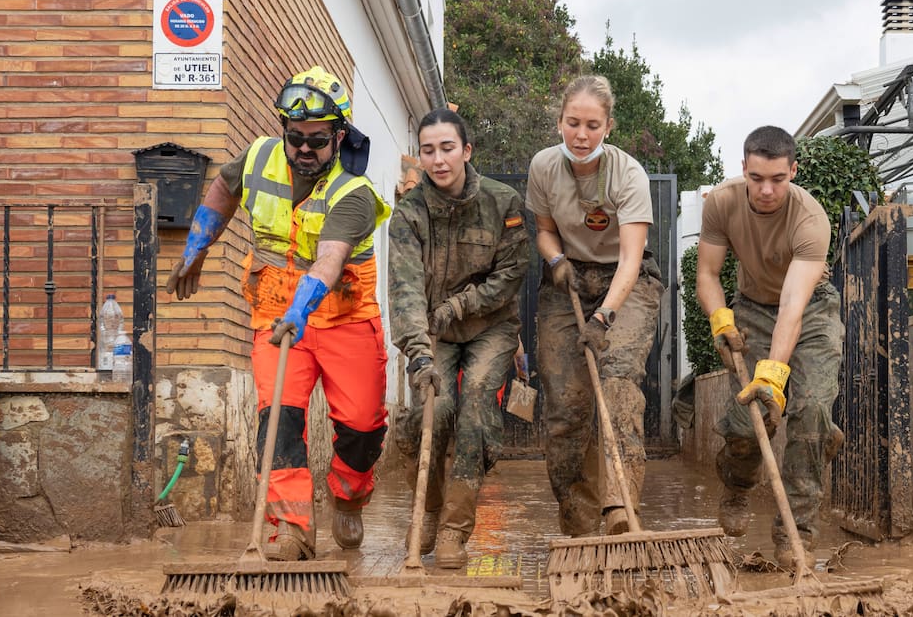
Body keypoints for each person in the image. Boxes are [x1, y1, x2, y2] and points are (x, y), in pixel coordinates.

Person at [166, 65, 391, 561]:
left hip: (343, 319)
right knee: (279, 424)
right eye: (295, 137)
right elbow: (224, 189)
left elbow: (330, 259)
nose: (304, 149)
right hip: (274, 318)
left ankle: (348, 495)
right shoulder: (260, 157)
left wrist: (302, 308)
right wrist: (197, 248)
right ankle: (291, 529)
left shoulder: (354, 192)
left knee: (362, 427)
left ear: (339, 136)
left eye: (317, 140)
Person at [695, 125, 844, 567]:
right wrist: (721, 320)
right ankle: (738, 488)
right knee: (747, 421)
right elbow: (707, 274)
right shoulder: (721, 203)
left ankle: (796, 532)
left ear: (793, 171)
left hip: (811, 310)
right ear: (743, 168)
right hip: (753, 307)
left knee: (812, 411)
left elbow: (793, 308)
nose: (765, 190)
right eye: (756, 178)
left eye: (778, 179)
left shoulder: (811, 220)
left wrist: (774, 375)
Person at [388, 108, 530, 568]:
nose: (438, 160)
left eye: (447, 148)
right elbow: (406, 289)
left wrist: (460, 305)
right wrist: (417, 355)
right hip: (434, 331)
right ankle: (427, 510)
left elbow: (512, 274)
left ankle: (454, 527)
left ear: (466, 151)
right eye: (428, 150)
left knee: (474, 414)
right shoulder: (408, 214)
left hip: (492, 327)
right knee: (435, 406)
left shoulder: (502, 202)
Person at [525, 75, 663, 537]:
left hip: (627, 282)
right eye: (572, 123)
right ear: (559, 121)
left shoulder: (628, 174)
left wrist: (605, 315)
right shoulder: (544, 167)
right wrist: (557, 259)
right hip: (567, 281)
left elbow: (629, 258)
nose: (580, 135)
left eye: (591, 125)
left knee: (619, 381)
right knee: (566, 402)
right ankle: (578, 515)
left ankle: (620, 508)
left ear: (608, 127)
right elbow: (544, 229)